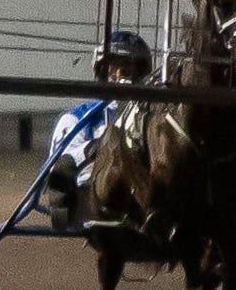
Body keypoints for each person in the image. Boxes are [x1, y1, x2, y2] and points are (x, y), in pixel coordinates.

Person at [37, 30, 152, 229]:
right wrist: (102, 147)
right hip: (90, 198)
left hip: (140, 197)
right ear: (102, 71)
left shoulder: (150, 116)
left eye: (129, 68)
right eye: (116, 66)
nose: (122, 75)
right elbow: (61, 166)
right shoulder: (77, 118)